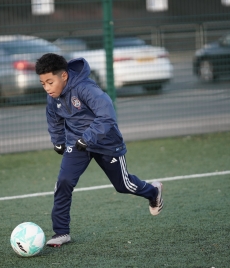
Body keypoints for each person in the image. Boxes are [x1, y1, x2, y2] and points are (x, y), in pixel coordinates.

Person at [35, 53, 163, 247]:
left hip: (105, 142)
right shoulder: (53, 97)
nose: (47, 88)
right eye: (43, 83)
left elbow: (107, 115)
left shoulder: (86, 88)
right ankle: (61, 232)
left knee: (123, 185)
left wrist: (88, 138)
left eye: (50, 82)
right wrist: (58, 140)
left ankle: (153, 192)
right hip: (77, 144)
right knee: (64, 182)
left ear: (64, 76)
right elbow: (54, 118)